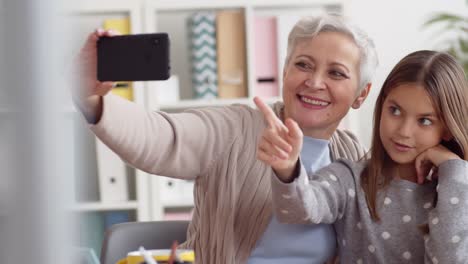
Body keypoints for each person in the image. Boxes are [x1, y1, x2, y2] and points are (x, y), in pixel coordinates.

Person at [73, 14, 378, 263]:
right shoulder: (235, 129)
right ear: (285, 70)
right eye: (303, 65)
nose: (314, 82)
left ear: (360, 95)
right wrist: (89, 98)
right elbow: (161, 138)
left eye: (336, 74)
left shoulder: (351, 154)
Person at [258, 50, 468, 263]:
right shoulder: (349, 179)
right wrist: (287, 169)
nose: (404, 131)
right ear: (382, 106)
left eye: (424, 121)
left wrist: (454, 167)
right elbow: (298, 210)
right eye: (395, 111)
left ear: (448, 129)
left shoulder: (456, 193)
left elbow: (450, 259)